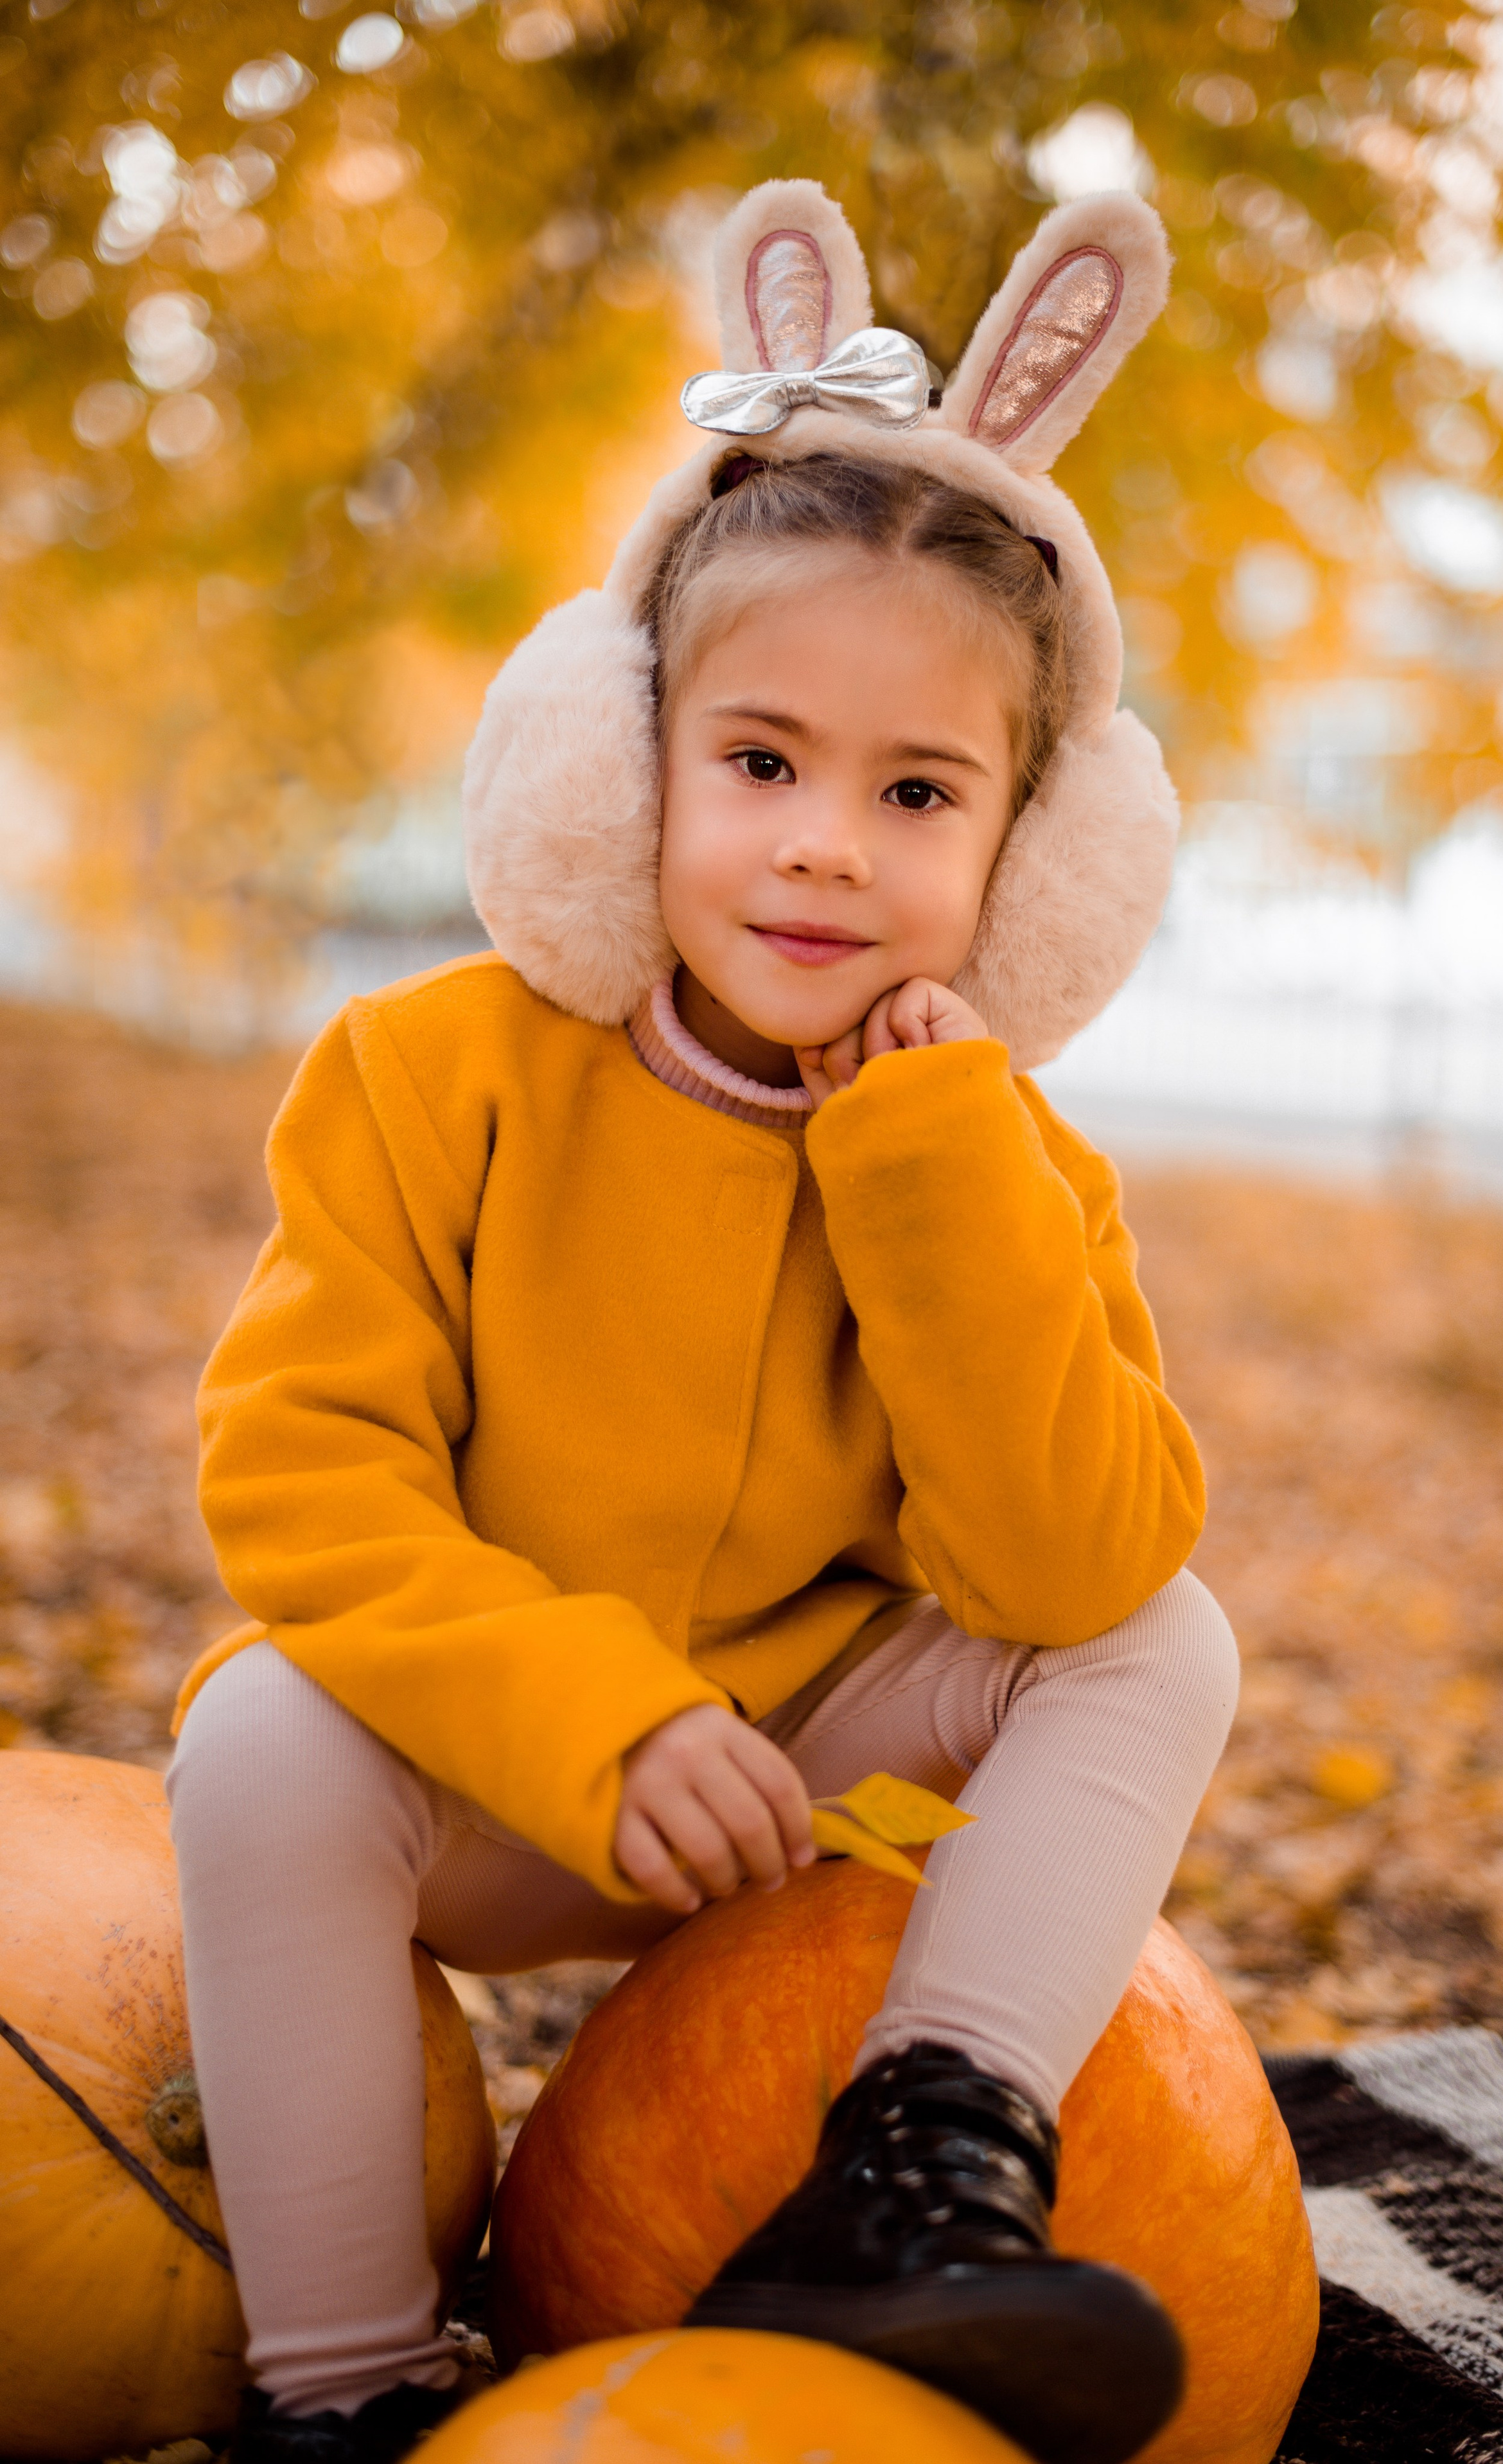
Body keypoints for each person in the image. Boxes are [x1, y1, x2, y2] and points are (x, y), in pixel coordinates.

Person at [167, 181, 1240, 2464]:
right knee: (263, 1741)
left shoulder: (1015, 1160)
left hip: (811, 1764)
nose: (827, 845)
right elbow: (301, 1475)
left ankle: (922, 2159)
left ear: (1029, 863)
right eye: (760, 762)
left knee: (1163, 1636)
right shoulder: (426, 1074)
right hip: (495, 1770)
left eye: (919, 792)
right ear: (620, 760)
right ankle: (345, 2382)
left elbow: (1073, 1563)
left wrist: (937, 1176)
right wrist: (599, 1718)